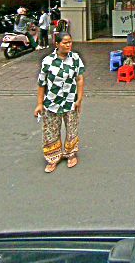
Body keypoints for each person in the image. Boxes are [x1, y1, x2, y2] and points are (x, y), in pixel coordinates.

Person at [34, 32, 85, 173]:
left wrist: (79, 99)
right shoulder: (47, 61)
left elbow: (79, 79)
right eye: (65, 42)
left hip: (70, 101)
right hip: (52, 102)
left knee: (72, 129)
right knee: (51, 131)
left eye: (70, 42)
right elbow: (41, 83)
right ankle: (52, 158)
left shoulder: (75, 58)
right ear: (57, 44)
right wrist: (39, 104)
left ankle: (71, 154)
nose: (68, 45)